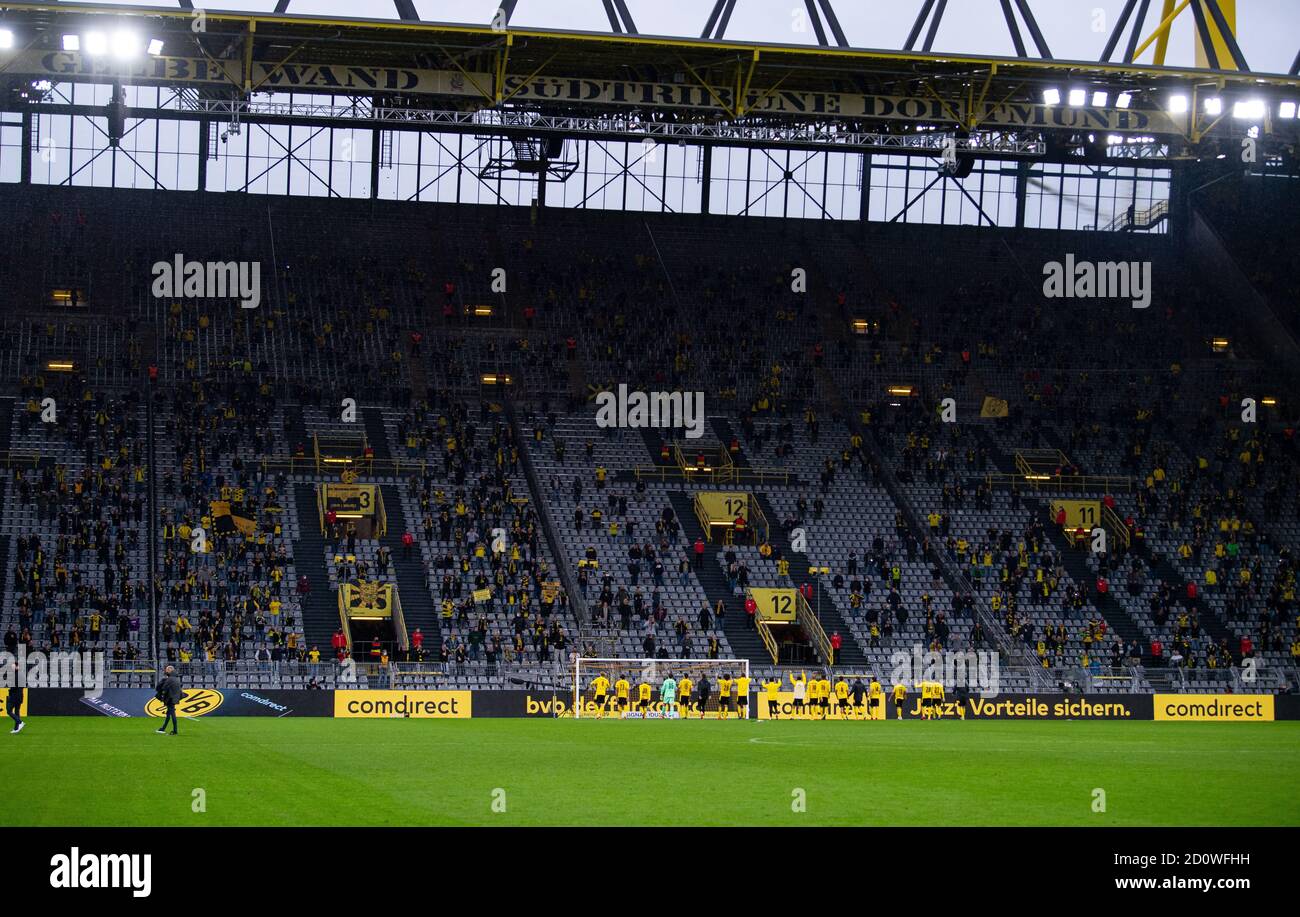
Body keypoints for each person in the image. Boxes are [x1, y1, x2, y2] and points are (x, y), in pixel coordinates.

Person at [155, 664, 183, 735]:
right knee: (168, 714)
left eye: (167, 670)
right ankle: (163, 728)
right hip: (174, 698)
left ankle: (175, 730)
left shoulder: (169, 679)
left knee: (172, 714)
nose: (166, 671)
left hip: (170, 699)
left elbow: (163, 688)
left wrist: (162, 696)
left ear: (170, 670)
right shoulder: (176, 678)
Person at [6, 665, 24, 734]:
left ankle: (20, 722)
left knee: (9, 710)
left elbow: (14, 687)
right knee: (17, 711)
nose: (12, 668)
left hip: (14, 696)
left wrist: (9, 690)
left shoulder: (15, 675)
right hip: (20, 696)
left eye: (13, 667)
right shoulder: (22, 675)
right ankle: (16, 729)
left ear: (16, 668)